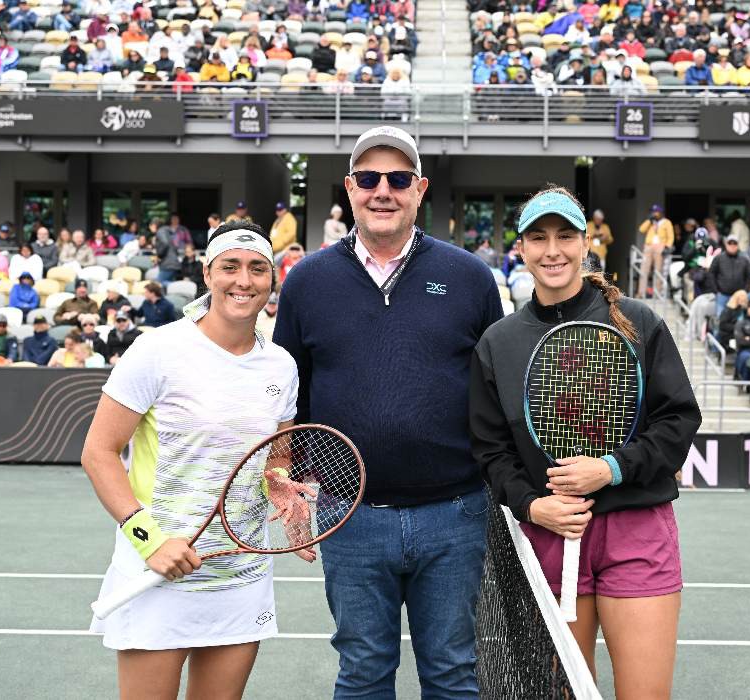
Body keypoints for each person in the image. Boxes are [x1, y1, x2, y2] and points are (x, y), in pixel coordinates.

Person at [272, 126, 503, 698]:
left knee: (452, 674)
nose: (383, 191)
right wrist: (288, 479)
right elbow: (286, 392)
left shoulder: (470, 277)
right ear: (349, 189)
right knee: (362, 674)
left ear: (420, 189)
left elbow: (494, 393)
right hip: (350, 516)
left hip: (454, 513)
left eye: (398, 179)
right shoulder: (306, 281)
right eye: (369, 178)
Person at [469, 186, 700, 699]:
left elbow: (679, 419)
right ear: (521, 250)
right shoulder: (498, 343)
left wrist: (611, 469)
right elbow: (491, 452)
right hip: (549, 537)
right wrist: (533, 505)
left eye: (565, 236)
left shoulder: (639, 322)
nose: (553, 250)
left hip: (636, 529)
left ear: (586, 242)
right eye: (538, 237)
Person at [83, 221, 301, 697]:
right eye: (230, 267)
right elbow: (98, 453)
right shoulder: (157, 350)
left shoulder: (281, 366)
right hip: (158, 572)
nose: (243, 280)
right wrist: (150, 542)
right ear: (207, 274)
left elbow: (274, 462)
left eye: (257, 269)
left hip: (241, 578)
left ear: (271, 280)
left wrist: (287, 497)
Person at [709, 235, 750, 316]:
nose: (732, 246)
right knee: (720, 318)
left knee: (739, 319)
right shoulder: (718, 258)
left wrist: (745, 291)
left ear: (738, 245)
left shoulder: (744, 259)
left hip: (739, 296)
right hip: (722, 295)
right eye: (730, 243)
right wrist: (715, 290)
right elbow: (711, 274)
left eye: (734, 243)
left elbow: (749, 276)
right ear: (726, 245)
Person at [637, 204, 674, 299]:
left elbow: (670, 236)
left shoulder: (666, 222)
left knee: (658, 270)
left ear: (661, 213)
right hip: (649, 246)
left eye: (656, 212)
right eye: (653, 211)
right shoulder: (651, 222)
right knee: (644, 270)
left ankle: (657, 294)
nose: (654, 213)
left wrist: (667, 247)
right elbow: (641, 229)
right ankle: (641, 293)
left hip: (660, 247)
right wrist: (649, 220)